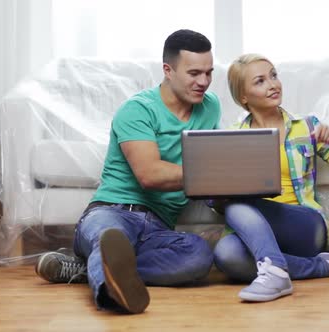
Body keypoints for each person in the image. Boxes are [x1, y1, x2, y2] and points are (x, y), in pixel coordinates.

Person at [34, 29, 221, 314]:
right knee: (110, 237)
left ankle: (89, 269)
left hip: (158, 226)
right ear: (167, 70)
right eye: (194, 73)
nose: (204, 82)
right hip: (112, 212)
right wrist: (211, 173)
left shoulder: (211, 107)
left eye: (209, 73)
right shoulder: (137, 110)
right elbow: (150, 175)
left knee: (198, 255)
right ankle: (112, 291)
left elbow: (213, 157)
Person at [211, 53, 329, 303]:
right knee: (226, 254)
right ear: (243, 97)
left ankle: (276, 273)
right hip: (257, 233)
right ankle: (323, 267)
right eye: (260, 81)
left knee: (239, 204)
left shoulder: (307, 126)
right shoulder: (233, 138)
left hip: (305, 226)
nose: (273, 84)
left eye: (274, 76)